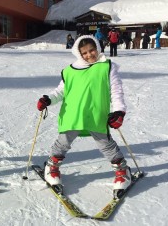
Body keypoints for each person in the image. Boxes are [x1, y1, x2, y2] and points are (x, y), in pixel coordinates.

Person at [36, 35, 131, 196]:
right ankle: (51, 167)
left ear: (98, 48)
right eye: (84, 53)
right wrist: (48, 99)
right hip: (72, 114)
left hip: (96, 114)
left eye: (92, 50)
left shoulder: (107, 67)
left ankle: (123, 171)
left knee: (105, 144)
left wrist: (119, 111)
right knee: (63, 142)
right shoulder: (70, 71)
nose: (89, 55)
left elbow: (116, 91)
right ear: (79, 54)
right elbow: (60, 92)